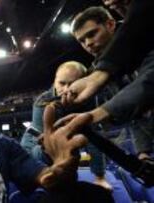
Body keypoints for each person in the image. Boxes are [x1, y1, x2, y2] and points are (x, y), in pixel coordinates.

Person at [64, 5, 154, 160]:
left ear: (110, 24)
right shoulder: (102, 70)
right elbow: (135, 112)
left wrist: (97, 113)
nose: (88, 43)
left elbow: (147, 83)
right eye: (82, 40)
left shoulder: (145, 35)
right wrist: (143, 151)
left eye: (92, 34)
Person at [21, 61, 111, 190]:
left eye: (73, 84)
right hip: (35, 143)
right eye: (62, 83)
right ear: (54, 81)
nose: (66, 89)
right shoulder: (42, 102)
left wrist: (100, 178)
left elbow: (94, 138)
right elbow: (46, 143)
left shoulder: (90, 98)